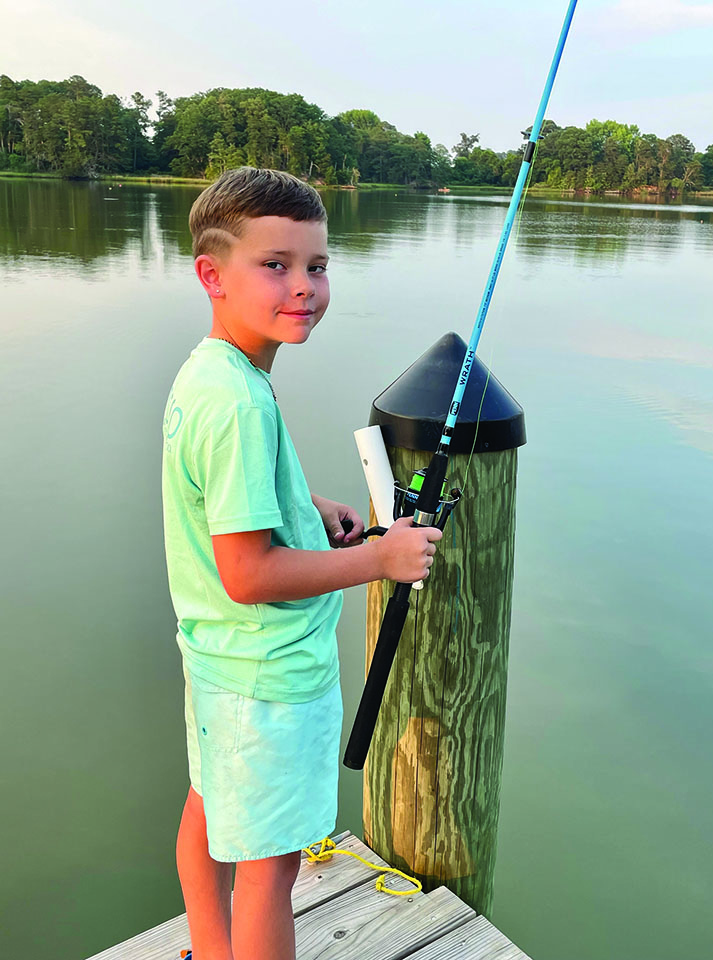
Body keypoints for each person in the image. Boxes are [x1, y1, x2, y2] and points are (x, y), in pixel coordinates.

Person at [161, 166, 441, 960]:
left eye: (316, 266)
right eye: (275, 265)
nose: (304, 287)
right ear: (212, 275)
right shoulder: (243, 402)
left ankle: (208, 952)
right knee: (270, 871)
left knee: (209, 807)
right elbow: (248, 575)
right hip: (270, 682)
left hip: (217, 663)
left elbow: (215, 495)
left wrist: (307, 508)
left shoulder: (215, 373)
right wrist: (382, 560)